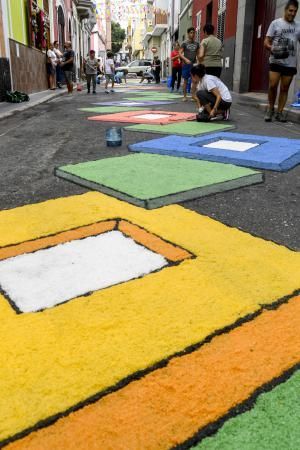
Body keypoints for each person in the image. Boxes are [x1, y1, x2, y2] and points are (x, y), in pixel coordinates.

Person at [264, 0, 300, 122]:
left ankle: (279, 112)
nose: (293, 13)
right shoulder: (275, 23)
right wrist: (272, 48)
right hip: (276, 60)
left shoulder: (298, 26)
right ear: (285, 10)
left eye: (295, 11)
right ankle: (270, 109)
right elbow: (266, 42)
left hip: (290, 63)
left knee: (284, 88)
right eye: (290, 10)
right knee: (273, 86)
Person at [179, 27, 200, 101]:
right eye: (191, 32)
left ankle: (193, 96)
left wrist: (199, 62)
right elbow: (180, 53)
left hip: (194, 65)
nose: (192, 34)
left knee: (195, 81)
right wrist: (185, 59)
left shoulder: (197, 43)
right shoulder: (184, 43)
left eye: (194, 32)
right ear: (188, 34)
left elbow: (198, 54)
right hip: (186, 65)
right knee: (185, 80)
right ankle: (184, 96)